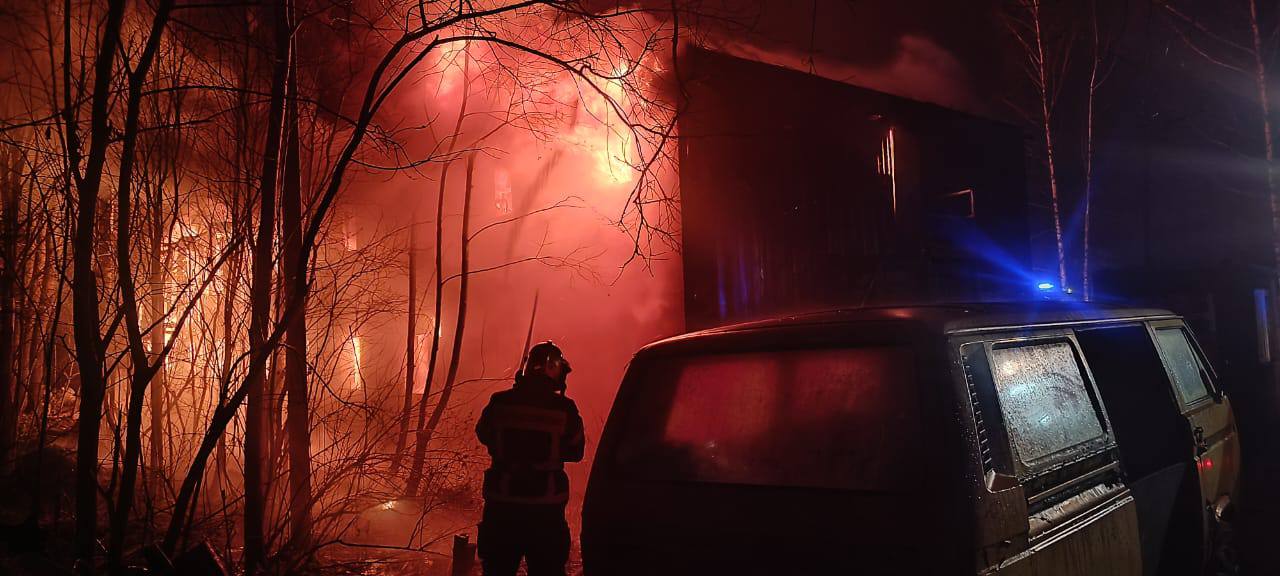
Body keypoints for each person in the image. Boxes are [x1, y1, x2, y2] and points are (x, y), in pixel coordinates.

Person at [475, 341, 585, 576]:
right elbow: (576, 451)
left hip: (502, 510)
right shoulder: (565, 409)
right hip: (545, 514)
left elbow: (484, 433)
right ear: (555, 370)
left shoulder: (500, 402)